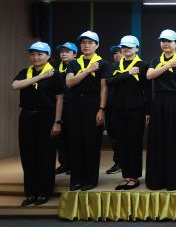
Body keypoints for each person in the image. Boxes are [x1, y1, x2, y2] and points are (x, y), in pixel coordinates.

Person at [11, 42, 63, 206]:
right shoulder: (25, 72)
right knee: (28, 156)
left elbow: (59, 99)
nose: (36, 57)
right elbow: (15, 85)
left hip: (46, 116)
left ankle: (44, 192)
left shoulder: (54, 74)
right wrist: (40, 77)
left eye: (40, 54)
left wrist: (57, 121)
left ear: (48, 55)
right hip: (27, 117)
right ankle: (31, 193)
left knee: (46, 156)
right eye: (33, 54)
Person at [145, 29, 176, 191]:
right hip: (159, 102)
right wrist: (167, 65)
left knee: (175, 139)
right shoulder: (156, 60)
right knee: (158, 140)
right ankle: (158, 179)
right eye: (162, 41)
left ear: (175, 43)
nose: (165, 44)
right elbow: (149, 75)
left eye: (169, 41)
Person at [65, 31, 110, 191]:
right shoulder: (73, 63)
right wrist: (87, 70)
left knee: (91, 143)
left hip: (93, 105)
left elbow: (104, 89)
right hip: (75, 105)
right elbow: (69, 82)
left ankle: (90, 179)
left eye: (90, 43)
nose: (86, 45)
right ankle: (76, 179)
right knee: (75, 143)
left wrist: (102, 109)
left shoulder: (103, 63)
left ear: (97, 45)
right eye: (83, 42)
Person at [106, 36, 151, 190]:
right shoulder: (115, 65)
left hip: (136, 110)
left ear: (137, 48)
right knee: (122, 143)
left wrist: (148, 112)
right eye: (124, 47)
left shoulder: (143, 65)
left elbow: (147, 90)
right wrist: (128, 73)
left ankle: (134, 177)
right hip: (117, 110)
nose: (126, 49)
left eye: (130, 47)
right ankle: (126, 176)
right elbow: (109, 81)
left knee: (134, 143)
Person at [53, 42, 76, 176]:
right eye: (62, 51)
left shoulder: (78, 66)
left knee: (72, 136)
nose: (63, 54)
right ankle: (64, 163)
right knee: (60, 137)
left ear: (74, 54)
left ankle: (74, 164)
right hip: (58, 105)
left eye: (67, 51)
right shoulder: (55, 68)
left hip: (73, 105)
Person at [105, 44, 124, 175]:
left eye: (119, 52)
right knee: (114, 137)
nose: (117, 55)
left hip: (127, 108)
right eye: (115, 53)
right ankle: (118, 163)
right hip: (111, 107)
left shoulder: (137, 66)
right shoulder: (111, 67)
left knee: (126, 138)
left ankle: (125, 163)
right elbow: (109, 81)